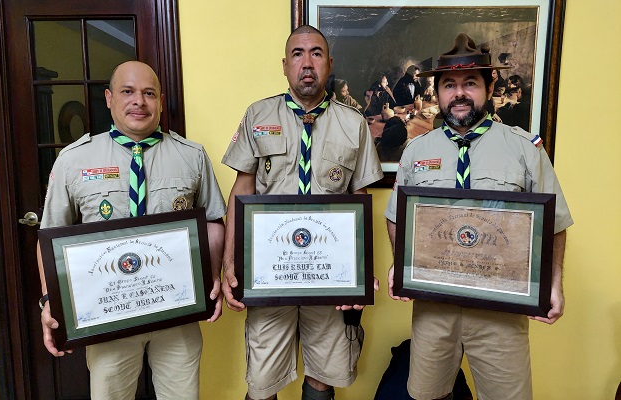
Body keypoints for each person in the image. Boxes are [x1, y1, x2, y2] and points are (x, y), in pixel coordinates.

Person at [384, 33, 573, 400]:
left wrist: (554, 283)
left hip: (500, 311)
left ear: (489, 87)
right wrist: (399, 262)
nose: (459, 94)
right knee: (426, 395)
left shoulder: (524, 149)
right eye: (449, 85)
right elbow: (396, 214)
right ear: (437, 93)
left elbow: (555, 221)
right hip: (433, 308)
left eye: (470, 83)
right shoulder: (416, 151)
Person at [37, 61, 227, 400]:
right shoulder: (73, 160)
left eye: (148, 93)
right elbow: (50, 237)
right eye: (127, 92)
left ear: (160, 101)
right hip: (108, 317)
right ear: (109, 99)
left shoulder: (191, 156)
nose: (139, 101)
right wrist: (50, 301)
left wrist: (211, 275)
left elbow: (213, 221)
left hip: (176, 313)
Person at [221, 25, 383, 400]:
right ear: (285, 65)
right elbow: (242, 189)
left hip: (329, 275)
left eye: (315, 54)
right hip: (268, 273)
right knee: (262, 381)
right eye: (297, 54)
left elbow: (360, 199)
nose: (306, 63)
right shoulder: (257, 114)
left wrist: (361, 274)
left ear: (329, 63)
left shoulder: (354, 123)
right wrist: (230, 264)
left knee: (324, 374)